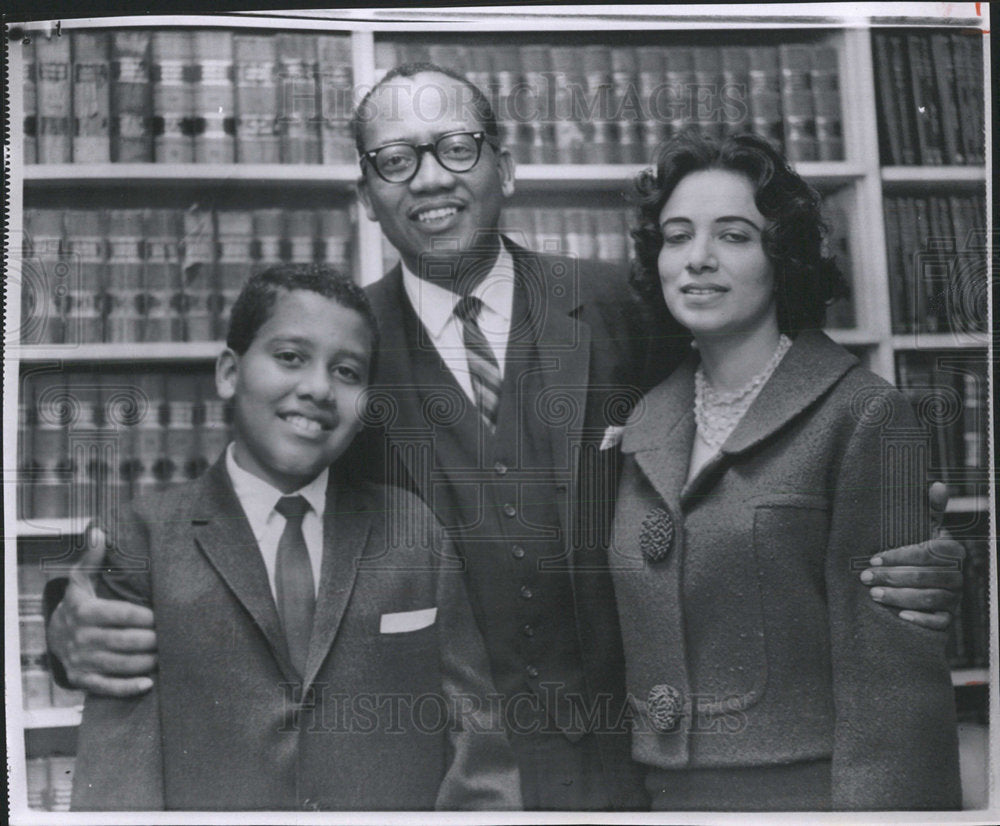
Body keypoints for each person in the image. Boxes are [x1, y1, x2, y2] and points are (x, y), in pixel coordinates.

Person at [46, 64, 965, 811]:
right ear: (366, 195)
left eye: (456, 146)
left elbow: (769, 413)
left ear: (506, 167)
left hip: (640, 770)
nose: (431, 177)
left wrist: (905, 540)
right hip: (440, 777)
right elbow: (233, 515)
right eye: (394, 159)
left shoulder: (626, 309)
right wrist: (71, 615)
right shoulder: (342, 354)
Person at [71, 265, 522, 811]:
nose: (317, 388)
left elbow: (477, 749)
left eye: (347, 371)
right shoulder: (141, 539)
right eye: (290, 357)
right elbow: (118, 782)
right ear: (229, 373)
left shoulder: (412, 530)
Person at [610, 131, 962, 811]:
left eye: (734, 236)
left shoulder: (863, 415)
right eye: (676, 236)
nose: (698, 260)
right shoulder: (646, 421)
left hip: (808, 800)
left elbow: (895, 696)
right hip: (659, 798)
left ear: (783, 257)